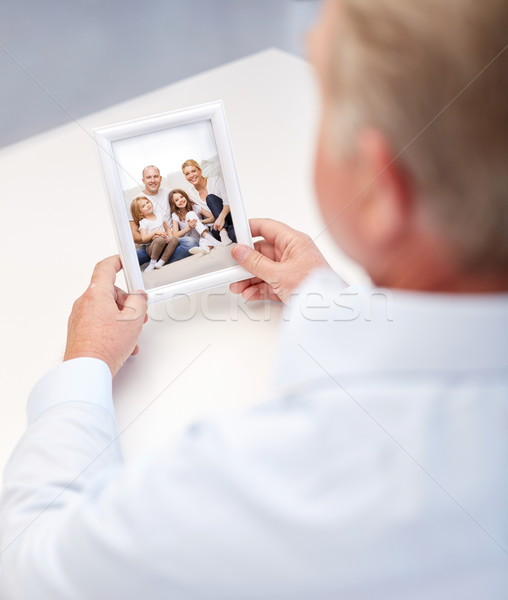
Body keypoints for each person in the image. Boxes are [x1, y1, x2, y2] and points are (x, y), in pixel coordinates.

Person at [1, 1, 507, 599]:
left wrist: (83, 367)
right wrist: (330, 304)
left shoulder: (269, 480)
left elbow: (29, 567)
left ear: (381, 194)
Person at [131, 165, 198, 266]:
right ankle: (159, 257)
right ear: (143, 180)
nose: (153, 180)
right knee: (133, 257)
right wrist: (153, 236)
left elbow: (183, 207)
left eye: (156, 176)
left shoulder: (168, 193)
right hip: (151, 245)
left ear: (160, 178)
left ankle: (159, 261)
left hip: (171, 240)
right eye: (149, 177)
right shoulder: (137, 201)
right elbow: (134, 234)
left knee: (191, 243)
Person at [182, 158, 236, 244]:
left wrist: (221, 218)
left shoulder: (215, 181)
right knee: (233, 234)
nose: (191, 175)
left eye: (193, 171)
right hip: (215, 228)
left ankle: (223, 231)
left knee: (210, 198)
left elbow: (227, 202)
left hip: (228, 217)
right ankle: (225, 233)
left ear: (200, 170)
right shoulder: (190, 194)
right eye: (187, 174)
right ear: (185, 177)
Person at [130, 195, 178, 271]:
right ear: (140, 213)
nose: (147, 205)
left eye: (147, 202)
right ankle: (152, 263)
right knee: (160, 239)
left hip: (166, 242)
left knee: (175, 239)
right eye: (143, 206)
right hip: (152, 247)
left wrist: (171, 238)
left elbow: (167, 229)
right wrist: (155, 232)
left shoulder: (159, 216)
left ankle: (161, 262)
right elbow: (144, 238)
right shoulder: (144, 222)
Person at [169, 188, 223, 255]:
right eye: (177, 200)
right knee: (190, 214)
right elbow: (175, 235)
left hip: (203, 234)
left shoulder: (194, 207)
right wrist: (188, 228)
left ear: (185, 196)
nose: (180, 200)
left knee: (204, 241)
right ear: (174, 204)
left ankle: (206, 248)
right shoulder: (175, 215)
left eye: (182, 197)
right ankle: (211, 240)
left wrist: (200, 222)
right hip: (192, 237)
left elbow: (212, 217)